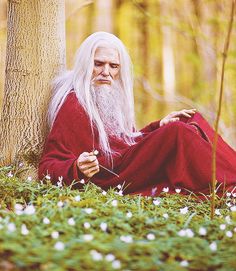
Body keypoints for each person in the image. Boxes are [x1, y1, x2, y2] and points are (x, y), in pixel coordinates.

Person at [39, 31, 236, 196]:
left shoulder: (109, 96)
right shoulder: (73, 103)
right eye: (98, 64)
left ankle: (231, 174)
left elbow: (124, 143)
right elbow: (49, 164)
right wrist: (77, 168)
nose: (106, 72)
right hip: (111, 176)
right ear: (85, 64)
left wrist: (156, 128)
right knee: (177, 132)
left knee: (189, 119)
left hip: (124, 163)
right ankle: (230, 184)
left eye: (113, 66)